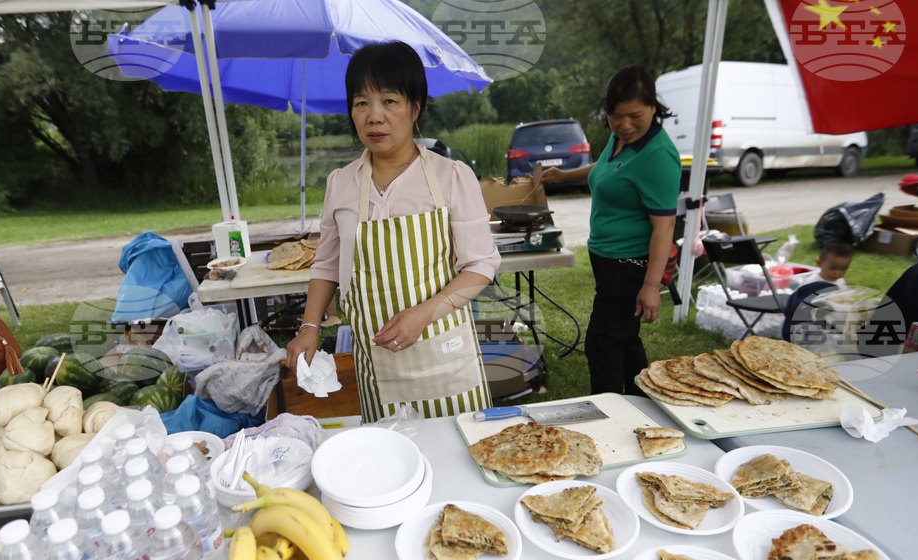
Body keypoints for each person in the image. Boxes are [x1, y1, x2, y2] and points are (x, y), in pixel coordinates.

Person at [286, 41, 500, 423]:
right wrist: (309, 327)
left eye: (389, 101)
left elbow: (481, 265)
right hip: (379, 366)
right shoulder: (341, 183)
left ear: (416, 108)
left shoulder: (450, 177)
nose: (374, 117)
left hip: (446, 361)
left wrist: (423, 313)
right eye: (361, 103)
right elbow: (327, 265)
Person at [541, 65, 681, 396]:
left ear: (653, 107)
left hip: (629, 266)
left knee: (602, 344)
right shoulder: (621, 139)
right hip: (609, 261)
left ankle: (605, 416)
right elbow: (608, 168)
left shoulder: (659, 156)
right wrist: (565, 176)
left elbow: (665, 227)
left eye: (635, 116)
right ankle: (643, 402)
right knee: (624, 339)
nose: (625, 125)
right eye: (616, 116)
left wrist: (650, 287)